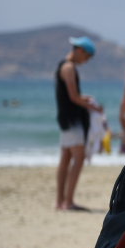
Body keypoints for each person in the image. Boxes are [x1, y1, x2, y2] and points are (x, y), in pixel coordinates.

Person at [55, 37, 103, 211]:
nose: (86, 60)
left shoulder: (64, 66)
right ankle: (68, 202)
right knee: (79, 158)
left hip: (65, 119)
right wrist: (92, 107)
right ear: (80, 50)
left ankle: (60, 201)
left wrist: (87, 99)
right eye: (87, 56)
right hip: (72, 120)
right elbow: (73, 97)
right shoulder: (68, 67)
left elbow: (73, 95)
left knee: (65, 159)